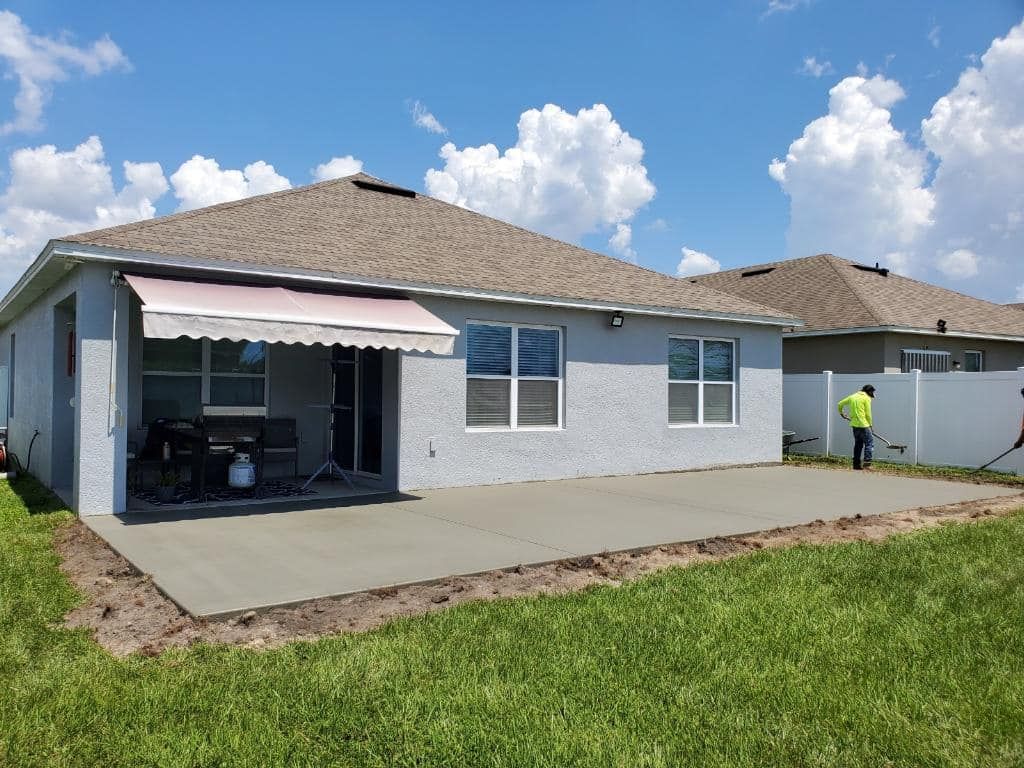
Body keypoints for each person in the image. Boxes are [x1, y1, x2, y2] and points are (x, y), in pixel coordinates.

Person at [837, 384, 876, 470]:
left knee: (858, 444)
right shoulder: (866, 398)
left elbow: (840, 404)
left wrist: (842, 413)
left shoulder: (852, 396)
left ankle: (856, 465)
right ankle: (867, 463)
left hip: (855, 426)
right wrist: (871, 425)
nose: (873, 394)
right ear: (869, 391)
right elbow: (868, 414)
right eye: (872, 392)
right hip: (864, 425)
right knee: (869, 443)